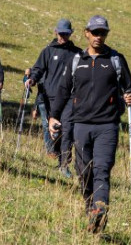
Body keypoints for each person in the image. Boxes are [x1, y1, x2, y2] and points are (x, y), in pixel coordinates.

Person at [49, 15, 131, 233]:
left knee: (102, 169)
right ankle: (91, 209)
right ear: (86, 33)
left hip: (107, 125)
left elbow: (130, 87)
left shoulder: (115, 59)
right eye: (95, 32)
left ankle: (100, 208)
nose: (98, 36)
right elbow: (62, 90)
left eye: (102, 33)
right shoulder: (77, 60)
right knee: (84, 171)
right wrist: (53, 116)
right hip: (81, 125)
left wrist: (130, 96)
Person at [26, 19, 82, 178]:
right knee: (55, 131)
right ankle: (58, 155)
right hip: (49, 97)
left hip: (69, 99)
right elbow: (38, 69)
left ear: (71, 34)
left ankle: (64, 164)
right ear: (56, 32)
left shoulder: (77, 53)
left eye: (67, 33)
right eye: (61, 33)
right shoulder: (48, 51)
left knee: (67, 130)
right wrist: (33, 79)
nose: (64, 36)